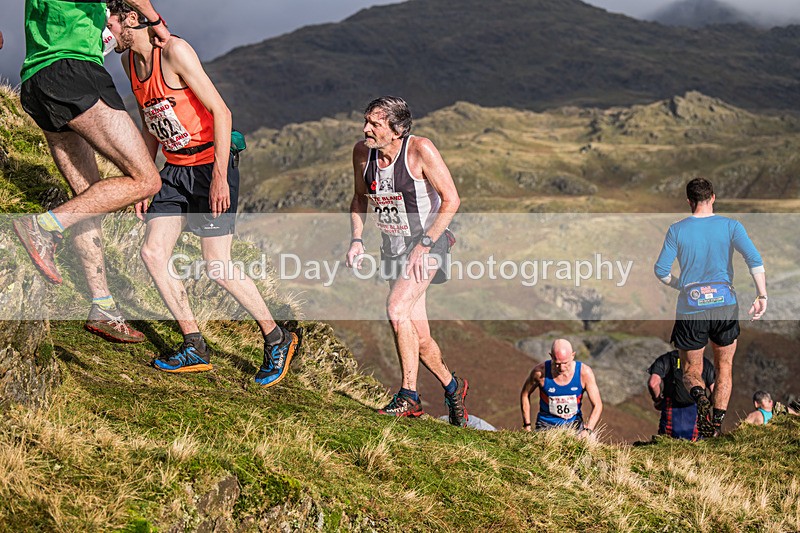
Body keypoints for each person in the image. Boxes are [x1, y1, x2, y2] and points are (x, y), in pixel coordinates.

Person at [105, 3, 298, 386]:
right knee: (152, 253)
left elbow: (221, 112)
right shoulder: (130, 65)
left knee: (217, 266)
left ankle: (277, 338)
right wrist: (145, 176)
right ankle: (194, 344)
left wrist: (220, 177)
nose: (105, 33)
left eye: (108, 23)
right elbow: (150, 122)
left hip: (211, 165)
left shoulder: (175, 52)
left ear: (130, 19)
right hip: (174, 170)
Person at [12, 0, 170, 342]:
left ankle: (103, 306)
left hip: (37, 80)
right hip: (74, 71)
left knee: (88, 199)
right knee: (146, 179)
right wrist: (156, 21)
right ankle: (42, 227)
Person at [345, 96, 468, 426]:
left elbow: (452, 199)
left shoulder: (419, 150)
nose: (366, 129)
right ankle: (454, 388)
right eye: (366, 121)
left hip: (428, 245)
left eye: (375, 124)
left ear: (397, 129)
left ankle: (409, 397)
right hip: (392, 249)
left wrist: (425, 244)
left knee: (396, 308)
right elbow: (359, 198)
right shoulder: (362, 153)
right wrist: (357, 239)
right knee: (418, 335)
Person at [654, 177, 767, 438]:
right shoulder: (731, 226)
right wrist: (762, 295)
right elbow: (754, 259)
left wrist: (681, 285)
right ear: (713, 197)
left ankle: (698, 396)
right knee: (724, 367)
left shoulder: (677, 230)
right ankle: (715, 427)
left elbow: (661, 270)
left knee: (691, 370)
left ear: (689, 201)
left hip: (692, 308)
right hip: (725, 305)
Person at [519, 339, 603, 439]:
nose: (561, 368)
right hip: (546, 427)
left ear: (573, 355)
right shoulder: (540, 373)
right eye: (557, 363)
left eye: (565, 363)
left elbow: (597, 405)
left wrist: (588, 429)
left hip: (574, 426)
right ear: (551, 356)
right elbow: (525, 394)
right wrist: (527, 425)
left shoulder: (584, 373)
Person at [648, 349, 715, 441]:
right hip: (696, 413)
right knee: (698, 447)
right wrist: (706, 405)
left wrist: (658, 400)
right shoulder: (704, 363)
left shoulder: (666, 359)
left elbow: (653, 383)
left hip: (671, 411)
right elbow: (714, 390)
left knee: (667, 446)